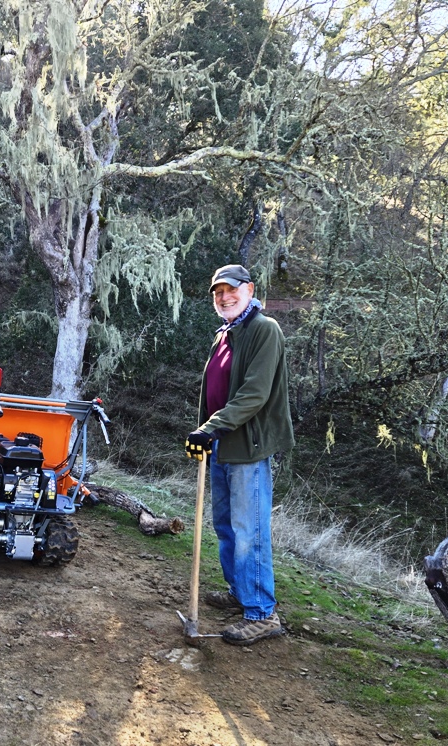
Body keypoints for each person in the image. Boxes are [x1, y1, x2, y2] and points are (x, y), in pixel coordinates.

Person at [184, 264, 295, 647]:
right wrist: (205, 434)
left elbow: (254, 394)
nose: (224, 297)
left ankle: (262, 613)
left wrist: (210, 428)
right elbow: (213, 391)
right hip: (220, 446)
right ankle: (240, 593)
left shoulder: (265, 330)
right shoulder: (226, 334)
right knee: (226, 527)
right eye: (218, 293)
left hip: (247, 448)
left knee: (250, 532)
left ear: (249, 289)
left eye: (231, 290)